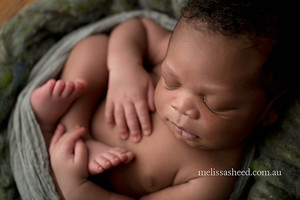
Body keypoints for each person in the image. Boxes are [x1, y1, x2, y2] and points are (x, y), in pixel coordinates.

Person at [30, 0, 292, 199]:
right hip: (85, 112)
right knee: (95, 46)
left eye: (215, 104)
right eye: (171, 81)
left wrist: (77, 188)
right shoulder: (188, 51)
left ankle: (55, 149)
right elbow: (137, 27)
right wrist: (125, 69)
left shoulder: (216, 177)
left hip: (88, 182)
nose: (181, 106)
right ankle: (63, 128)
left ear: (268, 111)